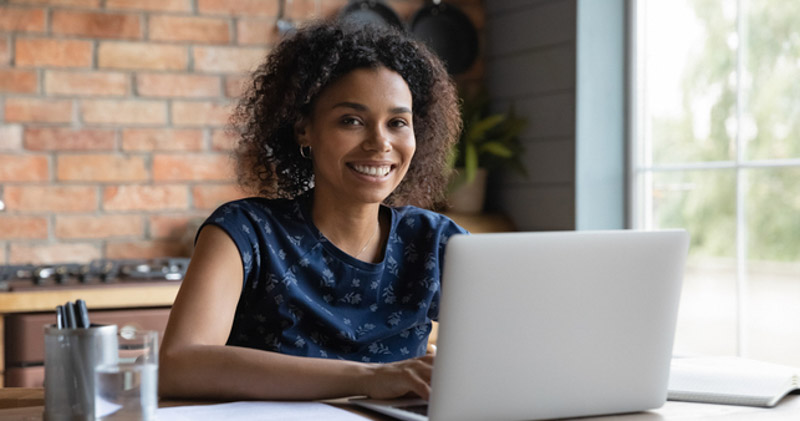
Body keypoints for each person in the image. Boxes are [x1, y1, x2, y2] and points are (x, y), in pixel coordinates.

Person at [159, 21, 466, 402]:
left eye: (397, 123)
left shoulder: (436, 241)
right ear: (305, 129)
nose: (380, 142)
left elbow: (507, 352)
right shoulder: (245, 233)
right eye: (351, 120)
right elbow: (179, 365)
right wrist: (368, 378)